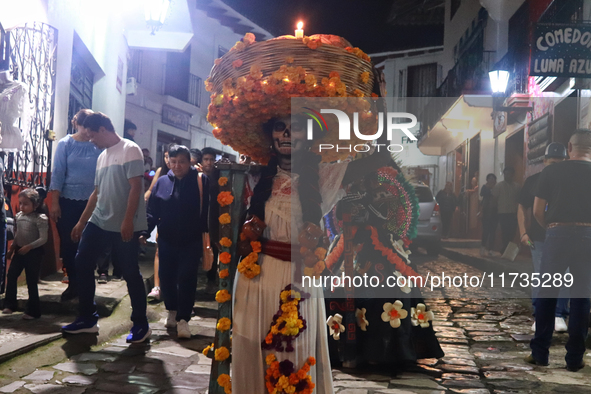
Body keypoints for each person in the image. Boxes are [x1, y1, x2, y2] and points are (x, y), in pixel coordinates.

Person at [61, 112, 150, 343]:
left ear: (103, 129)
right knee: (81, 262)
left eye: (92, 135)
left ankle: (141, 323)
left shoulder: (130, 149)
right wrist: (82, 221)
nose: (90, 140)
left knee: (130, 272)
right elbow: (96, 193)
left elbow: (135, 188)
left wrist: (129, 220)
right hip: (99, 220)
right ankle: (87, 318)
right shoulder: (102, 156)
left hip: (123, 224)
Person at [527, 130, 591, 371]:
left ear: (569, 147)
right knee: (581, 296)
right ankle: (574, 358)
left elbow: (536, 210)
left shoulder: (551, 171)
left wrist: (551, 228)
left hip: (557, 234)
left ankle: (540, 353)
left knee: (547, 293)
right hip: (588, 236)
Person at [142, 145, 209, 338]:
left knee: (187, 278)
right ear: (168, 162)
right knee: (166, 277)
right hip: (167, 239)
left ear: (190, 162)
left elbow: (206, 211)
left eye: (181, 162)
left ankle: (183, 320)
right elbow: (152, 211)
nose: (177, 166)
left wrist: (208, 236)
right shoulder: (162, 182)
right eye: (173, 162)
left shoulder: (200, 181)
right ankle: (171, 310)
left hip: (191, 240)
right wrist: (145, 232)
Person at [48, 109, 102, 300]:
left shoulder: (98, 144)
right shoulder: (66, 143)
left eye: (91, 126)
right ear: (76, 123)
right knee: (70, 244)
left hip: (94, 202)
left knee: (89, 244)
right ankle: (73, 284)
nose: (88, 130)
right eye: (84, 125)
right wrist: (55, 202)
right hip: (68, 202)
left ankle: (87, 284)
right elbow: (58, 173)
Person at [518, 143, 568, 333]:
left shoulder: (569, 181)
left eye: (559, 162)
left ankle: (559, 314)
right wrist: (523, 232)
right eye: (552, 162)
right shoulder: (533, 181)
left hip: (564, 236)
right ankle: (541, 315)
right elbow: (522, 207)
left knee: (565, 275)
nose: (555, 165)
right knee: (541, 275)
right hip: (538, 238)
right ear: (545, 161)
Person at [2, 188, 48, 319]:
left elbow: (43, 238)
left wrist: (29, 246)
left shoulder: (40, 218)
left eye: (26, 204)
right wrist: (12, 248)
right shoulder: (19, 216)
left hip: (34, 253)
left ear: (36, 204)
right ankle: (10, 304)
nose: (22, 207)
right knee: (11, 275)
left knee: (31, 281)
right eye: (20, 203)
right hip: (20, 251)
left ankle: (33, 311)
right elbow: (19, 234)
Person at [144, 144, 172, 301]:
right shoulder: (162, 172)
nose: (168, 160)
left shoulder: (188, 174)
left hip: (175, 220)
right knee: (158, 251)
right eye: (166, 156)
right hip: (160, 216)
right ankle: (157, 287)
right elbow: (151, 190)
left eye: (171, 156)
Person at [201, 147, 219, 295]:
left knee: (213, 250)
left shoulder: (219, 177)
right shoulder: (195, 176)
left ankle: (211, 281)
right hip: (197, 220)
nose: (209, 162)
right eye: (206, 159)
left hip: (214, 219)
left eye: (211, 159)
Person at [492, 167, 521, 253]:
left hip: (513, 213)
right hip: (502, 212)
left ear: (513, 175)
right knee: (504, 232)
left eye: (509, 174)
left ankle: (507, 249)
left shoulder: (517, 186)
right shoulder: (499, 186)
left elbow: (519, 200)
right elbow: (494, 199)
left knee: (512, 232)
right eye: (506, 174)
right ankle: (504, 249)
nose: (507, 176)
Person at [479, 173, 497, 256]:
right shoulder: (484, 187)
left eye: (493, 179)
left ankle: (491, 250)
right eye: (490, 178)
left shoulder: (497, 188)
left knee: (493, 231)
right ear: (487, 179)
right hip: (486, 211)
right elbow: (482, 194)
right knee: (486, 231)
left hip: (495, 212)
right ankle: (482, 248)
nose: (491, 180)